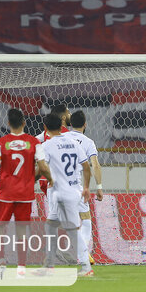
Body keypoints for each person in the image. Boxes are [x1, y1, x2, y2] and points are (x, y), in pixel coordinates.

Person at [0, 109, 51, 278]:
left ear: (8, 123)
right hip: (26, 194)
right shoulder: (33, 142)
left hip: (6, 193)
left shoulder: (1, 143)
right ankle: (21, 267)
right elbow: (43, 167)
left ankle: (1, 261)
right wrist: (52, 179)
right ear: (24, 123)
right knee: (22, 230)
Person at [39, 113, 93, 277]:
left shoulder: (47, 146)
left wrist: (45, 178)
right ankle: (49, 265)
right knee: (51, 225)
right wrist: (85, 187)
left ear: (46, 128)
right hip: (74, 191)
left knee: (71, 230)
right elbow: (86, 167)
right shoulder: (73, 143)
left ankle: (85, 267)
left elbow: (42, 168)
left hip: (60, 193)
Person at [63, 110, 104, 267]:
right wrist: (99, 187)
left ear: (70, 124)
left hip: (59, 186)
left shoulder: (61, 138)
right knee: (85, 219)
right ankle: (83, 251)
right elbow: (95, 165)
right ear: (85, 124)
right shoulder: (88, 142)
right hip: (76, 186)